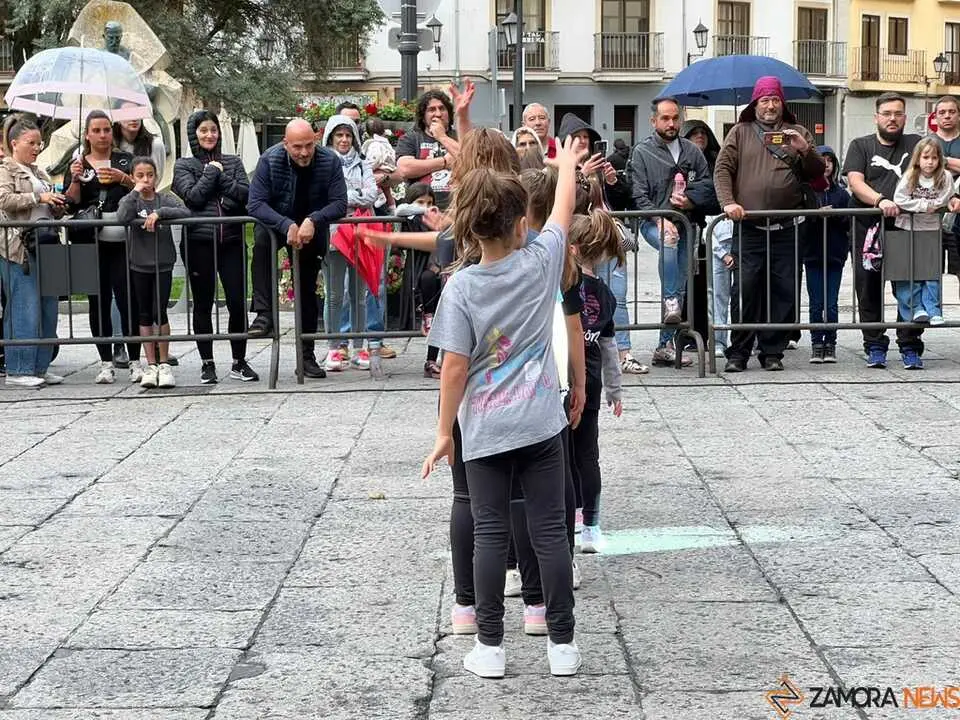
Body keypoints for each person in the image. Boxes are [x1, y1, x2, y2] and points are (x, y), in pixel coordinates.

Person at [421, 136, 582, 679]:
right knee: (550, 533)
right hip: (541, 424)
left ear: (468, 228)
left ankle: (489, 646)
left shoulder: (461, 288)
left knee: (489, 533)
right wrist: (566, 167)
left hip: (485, 430)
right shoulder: (540, 263)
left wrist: (445, 432)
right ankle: (562, 644)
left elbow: (454, 368)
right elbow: (562, 210)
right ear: (521, 224)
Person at [714, 76, 825, 373]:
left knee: (783, 290)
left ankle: (772, 351)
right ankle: (738, 351)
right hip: (749, 228)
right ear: (755, 104)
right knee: (745, 290)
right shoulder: (740, 132)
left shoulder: (798, 132)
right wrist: (728, 203)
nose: (770, 105)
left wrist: (804, 148)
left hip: (787, 228)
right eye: (765, 100)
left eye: (775, 99)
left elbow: (816, 173)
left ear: (782, 103)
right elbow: (723, 169)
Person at [247, 118, 348, 379]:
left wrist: (313, 220)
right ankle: (264, 313)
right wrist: (285, 224)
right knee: (260, 246)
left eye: (308, 145)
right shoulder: (270, 159)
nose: (303, 153)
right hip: (277, 224)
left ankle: (306, 356)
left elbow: (339, 203)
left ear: (315, 139)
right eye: (296, 147)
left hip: (311, 228)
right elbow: (255, 203)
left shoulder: (330, 160)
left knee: (306, 292)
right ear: (285, 144)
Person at [172, 109, 258, 384]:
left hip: (231, 241)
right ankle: (207, 363)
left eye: (213, 130)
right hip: (199, 242)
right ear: (194, 135)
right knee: (203, 302)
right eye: (203, 131)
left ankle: (239, 361)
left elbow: (245, 196)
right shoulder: (183, 166)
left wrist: (221, 180)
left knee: (236, 301)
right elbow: (194, 198)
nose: (210, 135)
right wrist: (212, 173)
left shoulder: (233, 162)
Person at [842, 92, 926, 370]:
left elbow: (940, 168)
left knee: (909, 288)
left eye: (898, 113)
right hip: (868, 228)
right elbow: (855, 181)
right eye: (887, 113)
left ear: (905, 117)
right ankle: (875, 345)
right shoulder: (860, 145)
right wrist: (880, 200)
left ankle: (910, 346)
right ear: (876, 117)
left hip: (907, 227)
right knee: (868, 290)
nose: (892, 118)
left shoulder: (917, 143)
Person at [63, 110, 142, 385]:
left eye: (106, 129)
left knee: (127, 299)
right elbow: (70, 203)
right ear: (87, 134)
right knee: (98, 301)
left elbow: (143, 190)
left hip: (123, 240)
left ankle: (134, 360)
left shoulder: (125, 160)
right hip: (92, 241)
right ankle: (105, 362)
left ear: (112, 132)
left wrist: (123, 178)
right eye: (96, 130)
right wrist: (74, 179)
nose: (102, 135)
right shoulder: (78, 164)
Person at [631, 98, 712, 366]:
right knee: (669, 242)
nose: (671, 123)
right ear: (653, 121)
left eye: (675, 118)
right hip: (655, 223)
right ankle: (670, 303)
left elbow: (707, 186)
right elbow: (638, 194)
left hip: (688, 223)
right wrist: (658, 219)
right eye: (665, 118)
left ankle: (664, 344)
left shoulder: (692, 151)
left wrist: (690, 200)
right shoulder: (642, 152)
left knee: (683, 277)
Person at [567, 211, 624, 555]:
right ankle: (591, 525)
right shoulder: (605, 295)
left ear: (571, 249)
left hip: (565, 380)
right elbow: (609, 347)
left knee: (564, 456)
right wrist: (615, 390)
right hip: (592, 382)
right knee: (589, 455)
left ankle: (570, 517)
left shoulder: (563, 288)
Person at [0, 116, 66, 387]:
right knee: (24, 306)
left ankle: (40, 366)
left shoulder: (40, 173)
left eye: (40, 143)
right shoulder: (5, 170)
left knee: (49, 307)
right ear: (14, 143)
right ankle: (18, 368)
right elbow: (3, 199)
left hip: (46, 242)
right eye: (31, 143)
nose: (37, 148)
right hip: (17, 248)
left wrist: (57, 205)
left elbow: (47, 205)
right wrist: (37, 197)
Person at [116, 157, 191, 388]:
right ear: (132, 177)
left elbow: (185, 212)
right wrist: (134, 192)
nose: (145, 180)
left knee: (160, 311)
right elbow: (122, 216)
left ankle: (164, 362)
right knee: (144, 313)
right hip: (139, 263)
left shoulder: (164, 198)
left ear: (156, 177)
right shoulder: (131, 200)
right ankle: (150, 364)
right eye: (140, 175)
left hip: (162, 264)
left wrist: (160, 213)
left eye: (149, 175)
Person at [320, 113, 379, 372]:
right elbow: (326, 197)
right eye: (339, 135)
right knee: (334, 296)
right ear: (331, 138)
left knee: (359, 295)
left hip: (361, 234)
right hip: (333, 235)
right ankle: (334, 348)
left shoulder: (363, 163)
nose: (343, 140)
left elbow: (372, 194)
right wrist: (350, 198)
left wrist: (344, 198)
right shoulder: (322, 163)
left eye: (347, 135)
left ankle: (358, 347)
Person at [892, 137, 954, 330]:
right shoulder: (910, 175)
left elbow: (946, 195)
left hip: (930, 229)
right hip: (907, 228)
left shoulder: (945, 176)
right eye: (926, 157)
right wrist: (923, 205)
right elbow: (899, 198)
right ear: (918, 158)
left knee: (931, 274)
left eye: (934, 157)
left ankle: (933, 310)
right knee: (909, 272)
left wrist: (933, 205)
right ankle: (915, 308)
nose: (930, 162)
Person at [805, 146, 849, 364]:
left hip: (834, 254)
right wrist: (815, 215)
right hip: (812, 253)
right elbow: (801, 220)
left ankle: (830, 342)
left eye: (829, 161)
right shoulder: (807, 191)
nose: (826, 165)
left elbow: (848, 222)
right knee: (815, 303)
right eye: (821, 161)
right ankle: (816, 343)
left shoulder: (841, 193)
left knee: (831, 303)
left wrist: (835, 215)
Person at [396, 90, 461, 210]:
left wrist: (442, 136)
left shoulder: (460, 137)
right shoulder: (411, 138)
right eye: (431, 110)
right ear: (423, 116)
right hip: (421, 209)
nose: (438, 114)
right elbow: (405, 169)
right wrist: (444, 162)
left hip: (456, 208)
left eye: (442, 108)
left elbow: (471, 160)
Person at [933, 95, 960, 287]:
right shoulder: (926, 141)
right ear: (936, 116)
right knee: (930, 273)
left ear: (959, 115)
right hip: (931, 216)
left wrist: (940, 161)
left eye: (952, 112)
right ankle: (935, 316)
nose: (947, 116)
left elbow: (931, 165)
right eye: (942, 112)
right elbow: (922, 169)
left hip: (958, 217)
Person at [113, 111, 165, 181]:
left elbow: (155, 180)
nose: (134, 118)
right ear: (118, 118)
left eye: (137, 111)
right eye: (128, 112)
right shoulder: (111, 145)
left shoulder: (155, 144)